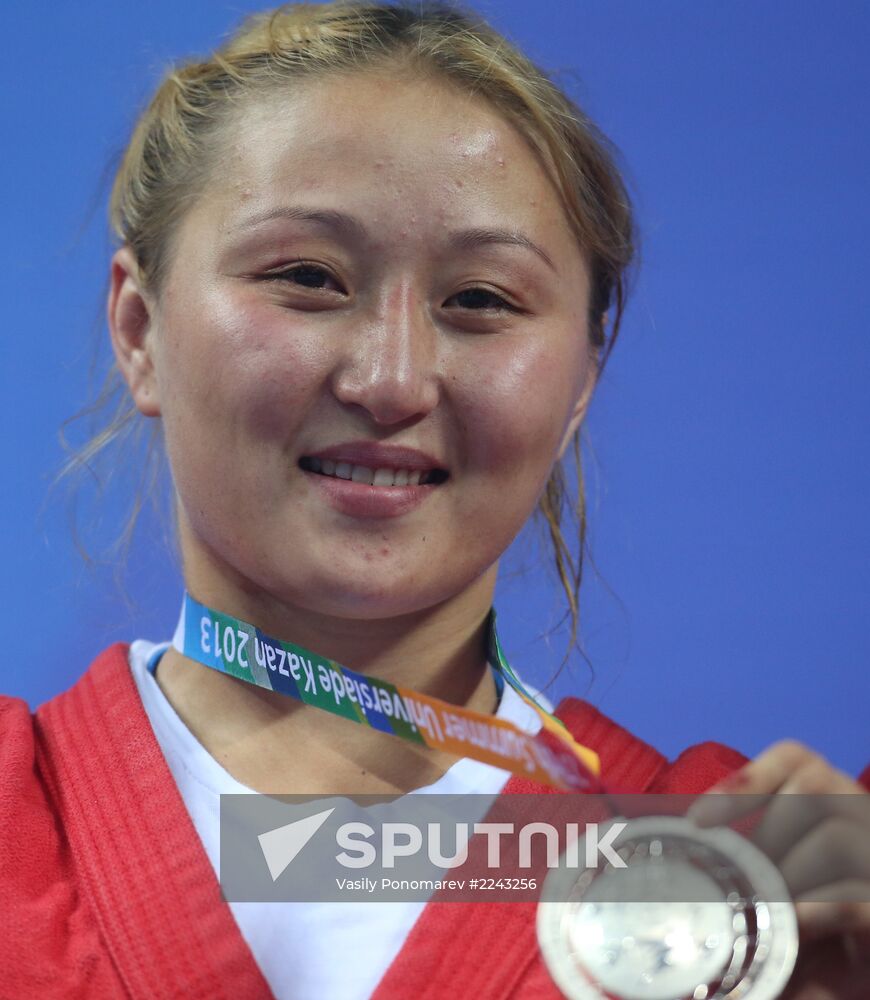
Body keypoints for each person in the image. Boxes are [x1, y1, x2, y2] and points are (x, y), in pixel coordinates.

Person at [1, 3, 867, 998]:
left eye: (481, 300)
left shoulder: (764, 883)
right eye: (308, 277)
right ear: (139, 328)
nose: (394, 379)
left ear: (582, 379)